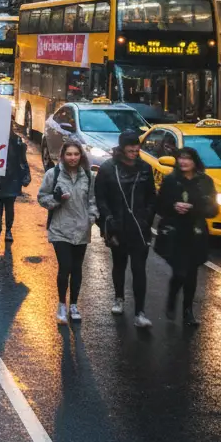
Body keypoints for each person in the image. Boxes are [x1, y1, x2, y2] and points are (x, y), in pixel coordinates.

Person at [94, 130, 157, 328]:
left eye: (136, 146)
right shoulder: (107, 168)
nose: (134, 149)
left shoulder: (145, 169)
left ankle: (140, 312)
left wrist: (147, 218)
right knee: (119, 264)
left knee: (139, 269)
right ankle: (119, 298)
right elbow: (100, 197)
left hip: (139, 228)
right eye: (130, 146)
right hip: (117, 227)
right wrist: (109, 219)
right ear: (122, 147)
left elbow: (151, 197)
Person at [156, 147, 219, 326]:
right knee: (180, 272)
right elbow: (159, 206)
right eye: (180, 158)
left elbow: (213, 209)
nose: (183, 162)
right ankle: (172, 297)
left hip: (195, 232)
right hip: (175, 233)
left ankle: (188, 311)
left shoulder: (205, 181)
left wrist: (194, 209)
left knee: (191, 273)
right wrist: (174, 206)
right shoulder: (171, 180)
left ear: (195, 161)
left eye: (187, 159)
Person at [37, 140, 97, 324]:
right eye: (69, 154)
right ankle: (62, 305)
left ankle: (74, 305)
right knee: (65, 267)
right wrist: (56, 200)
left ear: (81, 156)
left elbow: (93, 199)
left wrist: (92, 217)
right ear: (63, 156)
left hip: (81, 230)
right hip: (60, 229)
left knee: (77, 268)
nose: (72, 158)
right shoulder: (53, 174)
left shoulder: (88, 175)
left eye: (76, 154)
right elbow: (41, 197)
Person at [0, 130, 31, 242]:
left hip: (11, 177)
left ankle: (8, 230)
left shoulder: (16, 140)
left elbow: (22, 159)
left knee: (9, 206)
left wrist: (26, 174)